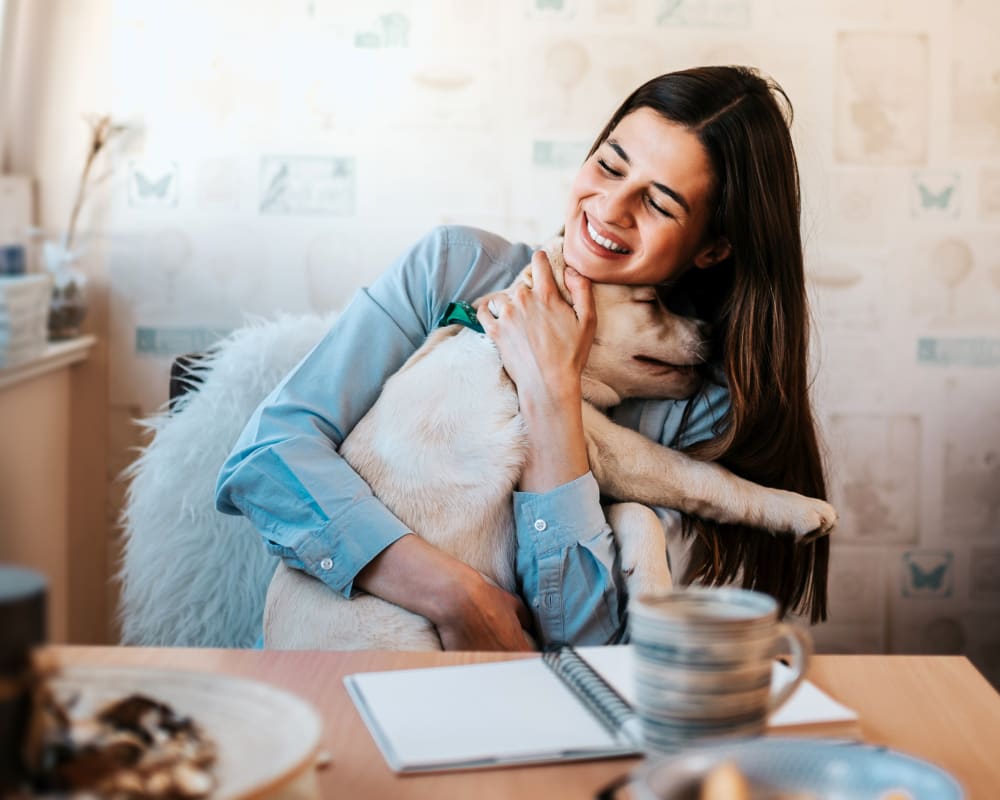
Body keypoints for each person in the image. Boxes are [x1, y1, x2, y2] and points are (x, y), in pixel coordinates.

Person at [215, 65, 831, 651]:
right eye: (610, 166)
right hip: (343, 658)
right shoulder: (456, 269)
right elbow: (266, 460)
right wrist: (451, 594)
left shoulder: (694, 401)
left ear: (712, 248)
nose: (610, 210)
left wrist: (552, 398)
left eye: (659, 204)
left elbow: (590, 647)